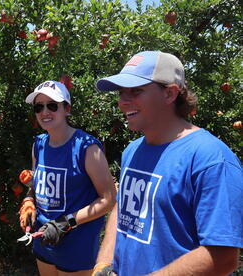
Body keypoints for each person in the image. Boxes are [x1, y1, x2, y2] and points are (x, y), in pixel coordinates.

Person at [93, 50, 242, 276]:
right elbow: (123, 210)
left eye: (136, 91)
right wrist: (102, 265)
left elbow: (223, 257)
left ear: (170, 93)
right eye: (121, 92)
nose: (123, 102)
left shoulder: (210, 159)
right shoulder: (133, 151)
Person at [19, 80, 117, 275]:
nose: (45, 112)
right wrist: (29, 199)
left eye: (52, 105)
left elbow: (109, 199)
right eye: (39, 107)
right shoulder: (38, 144)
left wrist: (66, 223)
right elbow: (36, 186)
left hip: (76, 247)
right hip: (43, 239)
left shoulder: (87, 148)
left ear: (67, 109)